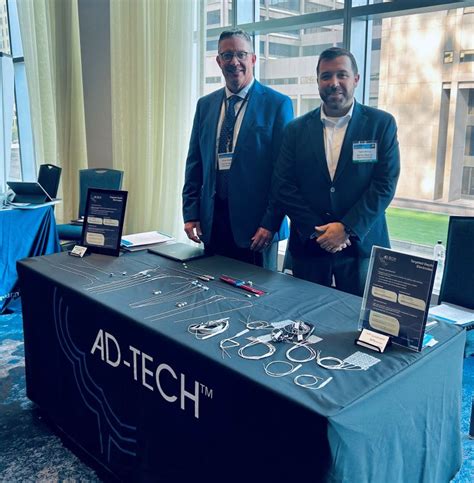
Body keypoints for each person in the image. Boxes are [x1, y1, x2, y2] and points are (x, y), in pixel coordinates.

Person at [273, 47, 400, 295]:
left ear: (356, 79)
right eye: (326, 76)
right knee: (304, 313)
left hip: (361, 246)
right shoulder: (295, 130)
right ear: (318, 81)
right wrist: (318, 231)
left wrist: (346, 228)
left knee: (359, 317)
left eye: (342, 74)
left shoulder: (381, 124)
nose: (334, 83)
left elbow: (385, 183)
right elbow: (283, 185)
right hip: (310, 246)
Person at [182, 29, 293, 270]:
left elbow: (283, 173)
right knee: (211, 286)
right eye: (227, 55)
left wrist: (270, 223)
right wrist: (191, 213)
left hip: (257, 230)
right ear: (218, 61)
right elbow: (195, 163)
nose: (234, 62)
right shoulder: (205, 105)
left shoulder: (277, 104)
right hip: (213, 223)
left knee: (256, 292)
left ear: (253, 59)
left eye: (241, 54)